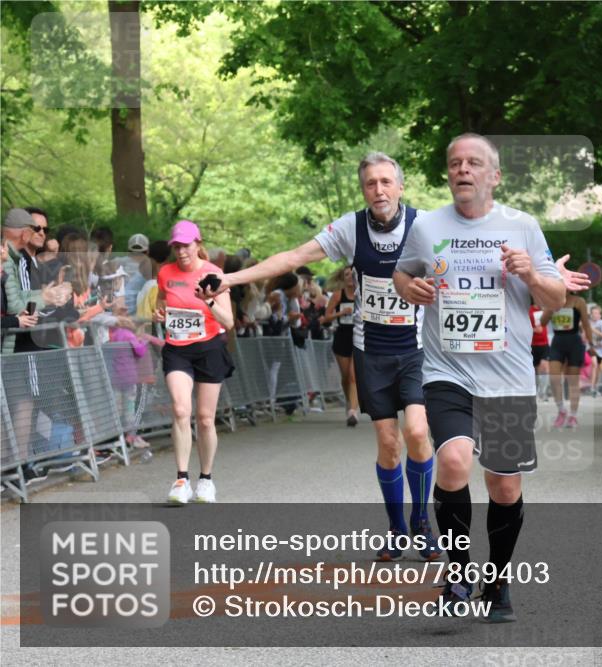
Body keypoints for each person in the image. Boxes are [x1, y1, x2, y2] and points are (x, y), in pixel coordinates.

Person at [205, 152, 443, 562]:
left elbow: (465, 263)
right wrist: (229, 278)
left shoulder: (424, 226)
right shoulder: (350, 228)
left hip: (416, 349)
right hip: (371, 351)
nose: (379, 190)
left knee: (418, 433)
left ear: (400, 187)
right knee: (388, 443)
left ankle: (422, 522)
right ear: (363, 189)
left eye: (387, 182)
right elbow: (294, 258)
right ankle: (397, 528)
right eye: (371, 183)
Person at [393, 133, 567, 623]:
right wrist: (414, 287)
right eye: (454, 163)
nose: (461, 170)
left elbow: (555, 298)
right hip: (448, 370)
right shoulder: (427, 225)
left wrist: (531, 275)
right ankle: (457, 573)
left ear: (495, 175)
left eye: (473, 163)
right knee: (451, 460)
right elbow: (402, 276)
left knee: (503, 484)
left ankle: (498, 580)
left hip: (509, 376)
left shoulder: (523, 226)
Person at [154, 220, 235, 504]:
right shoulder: (165, 272)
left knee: (204, 418)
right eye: (176, 246)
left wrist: (209, 301)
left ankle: (206, 480)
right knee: (179, 409)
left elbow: (229, 321)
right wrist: (160, 313)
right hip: (177, 348)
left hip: (209, 348)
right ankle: (180, 480)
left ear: (198, 244)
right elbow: (163, 302)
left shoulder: (214, 273)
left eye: (186, 245)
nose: (181, 251)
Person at [543, 291, 593, 429]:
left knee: (573, 381)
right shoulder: (551, 300)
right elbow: (543, 322)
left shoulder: (578, 301)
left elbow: (586, 324)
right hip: (557, 342)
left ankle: (573, 415)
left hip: (574, 343)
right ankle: (561, 410)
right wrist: (551, 308)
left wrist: (591, 344)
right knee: (553, 378)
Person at [322, 265, 360, 426]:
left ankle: (353, 411)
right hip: (342, 336)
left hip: (358, 335)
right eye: (347, 275)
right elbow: (326, 318)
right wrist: (340, 313)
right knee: (345, 377)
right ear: (343, 278)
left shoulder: (362, 295)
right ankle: (349, 401)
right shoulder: (338, 295)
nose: (350, 277)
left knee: (353, 376)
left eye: (353, 275)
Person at [588, 304, 602, 395]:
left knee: (599, 369)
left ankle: (595, 388)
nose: (595, 315)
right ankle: (591, 387)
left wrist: (594, 330)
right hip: (590, 347)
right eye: (593, 313)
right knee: (594, 364)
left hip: (600, 349)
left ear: (600, 315)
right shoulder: (587, 322)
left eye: (597, 313)